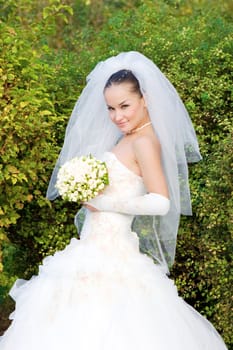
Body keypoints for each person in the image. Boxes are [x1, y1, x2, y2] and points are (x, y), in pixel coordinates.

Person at [0, 52, 227, 349]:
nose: (117, 116)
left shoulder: (145, 141)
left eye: (125, 106)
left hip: (113, 255)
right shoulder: (127, 138)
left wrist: (105, 203)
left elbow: (161, 202)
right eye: (110, 108)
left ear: (144, 99)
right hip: (91, 249)